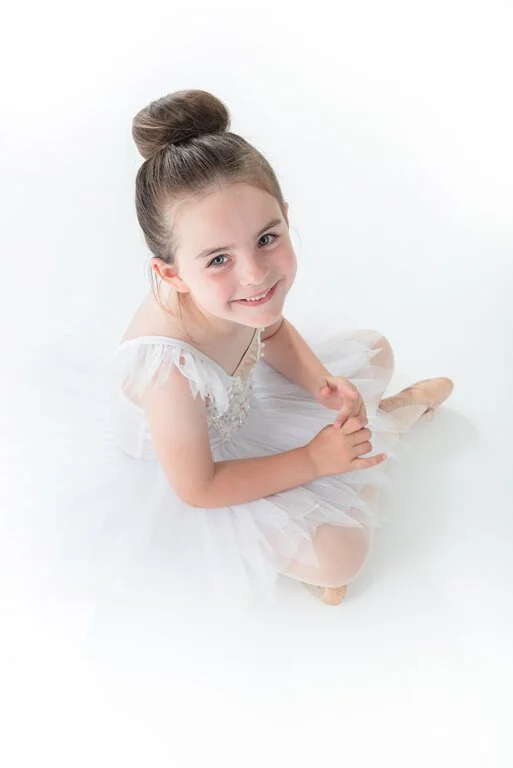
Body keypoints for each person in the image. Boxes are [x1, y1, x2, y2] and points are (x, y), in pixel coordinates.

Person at [25, 89, 454, 612]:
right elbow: (200, 487)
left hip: (240, 406)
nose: (256, 275)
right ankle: (388, 429)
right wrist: (314, 460)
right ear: (172, 274)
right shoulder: (169, 374)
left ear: (285, 216)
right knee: (341, 557)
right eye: (218, 259)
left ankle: (364, 442)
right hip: (200, 468)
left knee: (375, 350)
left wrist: (322, 382)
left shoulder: (238, 297)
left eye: (267, 238)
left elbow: (269, 332)